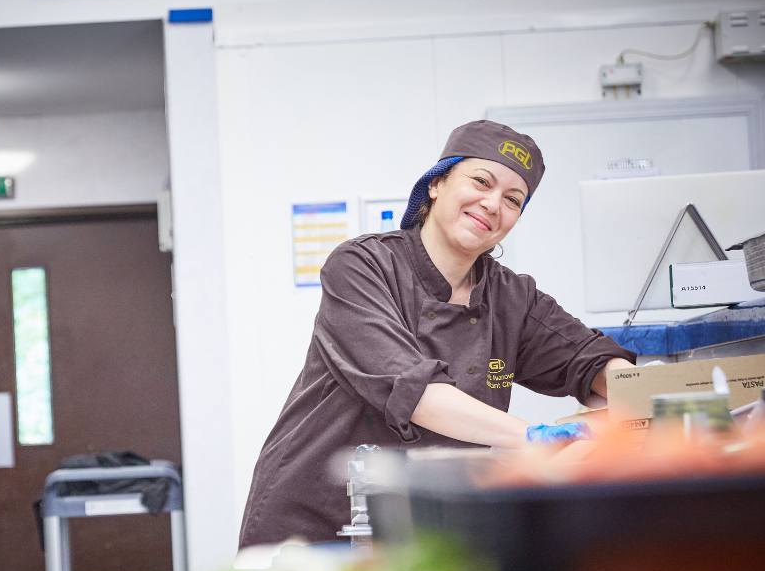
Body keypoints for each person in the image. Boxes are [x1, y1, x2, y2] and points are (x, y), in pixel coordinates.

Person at [239, 120, 636, 548]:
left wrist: (638, 399)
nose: (492, 204)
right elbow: (416, 392)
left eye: (512, 200)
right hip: (318, 522)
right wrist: (532, 437)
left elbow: (587, 358)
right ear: (436, 184)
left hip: (428, 526)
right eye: (480, 181)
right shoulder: (362, 266)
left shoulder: (511, 297)